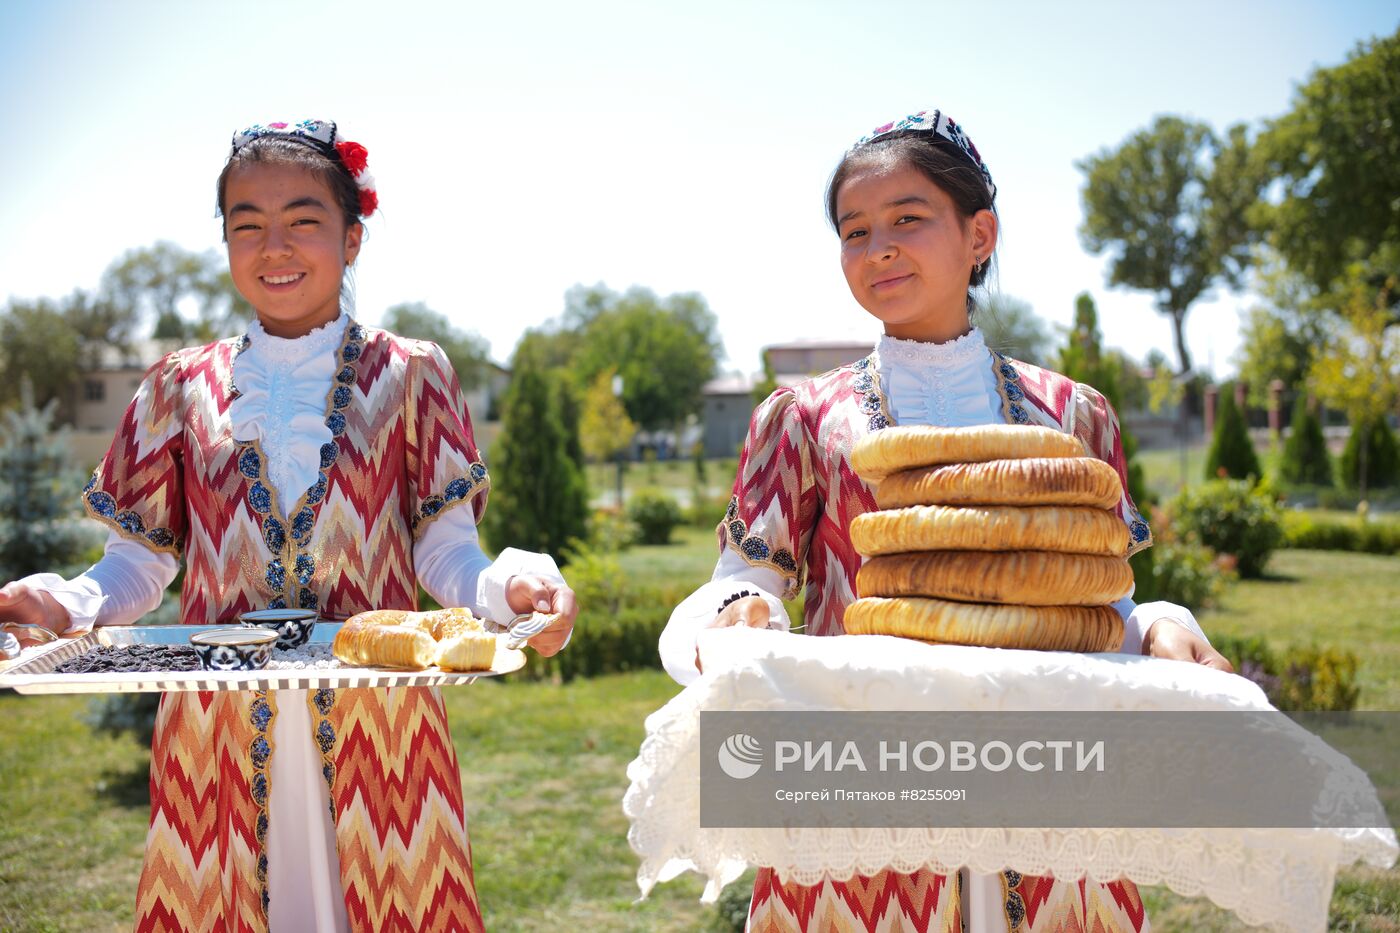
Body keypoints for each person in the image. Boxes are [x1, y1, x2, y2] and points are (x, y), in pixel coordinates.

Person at [659, 109, 1232, 933]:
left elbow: (1100, 601)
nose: (879, 248)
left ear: (979, 235)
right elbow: (746, 582)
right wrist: (741, 612)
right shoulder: (804, 417)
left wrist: (1162, 625)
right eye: (854, 231)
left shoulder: (1073, 414)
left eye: (907, 219)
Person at [0, 119, 577, 933]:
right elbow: (138, 562)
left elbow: (444, 547)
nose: (274, 246)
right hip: (216, 731)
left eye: (304, 220)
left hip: (381, 726)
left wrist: (506, 589)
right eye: (247, 225)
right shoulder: (175, 386)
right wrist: (66, 605)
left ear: (353, 237)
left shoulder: (413, 373)